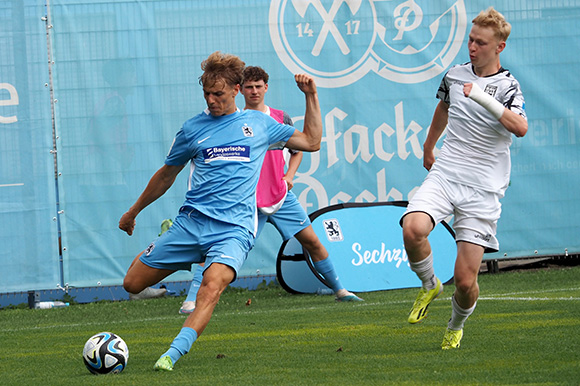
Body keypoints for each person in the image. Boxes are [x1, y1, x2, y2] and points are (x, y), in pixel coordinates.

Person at [118, 51, 323, 371]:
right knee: (132, 283)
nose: (211, 100)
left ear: (236, 90)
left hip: (235, 230)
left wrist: (311, 96)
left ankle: (171, 354)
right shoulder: (192, 129)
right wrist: (133, 212)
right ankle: (185, 252)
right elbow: (166, 175)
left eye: (218, 93)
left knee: (211, 286)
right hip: (191, 223)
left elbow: (311, 141)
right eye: (207, 94)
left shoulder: (259, 124)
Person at [178, 66, 362, 314]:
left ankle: (341, 290)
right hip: (247, 201)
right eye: (249, 87)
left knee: (312, 241)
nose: (254, 91)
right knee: (215, 247)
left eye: (258, 86)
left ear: (266, 88)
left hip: (280, 196)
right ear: (239, 90)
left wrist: (289, 176)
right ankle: (191, 300)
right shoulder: (232, 122)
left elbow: (301, 149)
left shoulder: (279, 118)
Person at [400, 7, 527, 350]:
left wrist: (482, 95)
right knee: (412, 228)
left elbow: (520, 128)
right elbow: (443, 108)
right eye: (470, 39)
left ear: (499, 47)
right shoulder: (454, 75)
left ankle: (455, 325)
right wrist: (429, 146)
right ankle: (429, 284)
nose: (472, 47)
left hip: (483, 189)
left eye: (480, 42)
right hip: (446, 173)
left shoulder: (507, 86)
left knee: (465, 280)